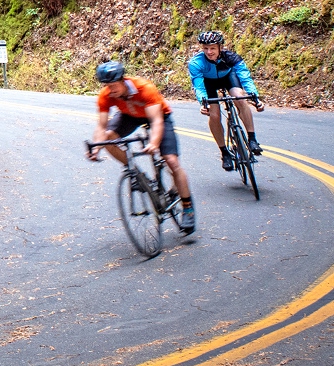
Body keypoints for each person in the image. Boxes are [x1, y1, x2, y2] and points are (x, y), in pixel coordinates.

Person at [87, 61, 196, 234]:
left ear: (123, 80)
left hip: (158, 117)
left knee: (172, 162)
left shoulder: (145, 88)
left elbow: (157, 121)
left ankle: (187, 207)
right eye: (106, 86)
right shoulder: (105, 95)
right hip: (129, 116)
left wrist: (153, 143)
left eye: (113, 85)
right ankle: (136, 173)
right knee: (107, 138)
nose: (110, 90)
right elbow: (101, 126)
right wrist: (96, 147)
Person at [188, 31, 264, 167]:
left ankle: (252, 139)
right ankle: (224, 153)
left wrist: (255, 98)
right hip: (208, 83)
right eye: (205, 48)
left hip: (228, 78)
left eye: (212, 48)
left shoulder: (231, 57)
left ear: (220, 47)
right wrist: (203, 102)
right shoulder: (196, 63)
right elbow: (199, 86)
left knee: (240, 98)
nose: (209, 52)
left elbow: (245, 78)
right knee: (214, 114)